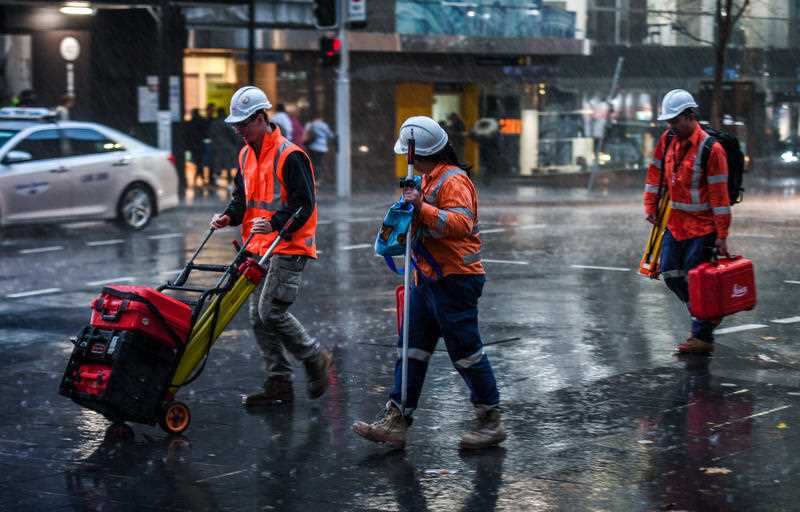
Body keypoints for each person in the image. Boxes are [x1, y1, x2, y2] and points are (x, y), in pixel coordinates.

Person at [352, 116, 505, 451]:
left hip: (455, 281)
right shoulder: (426, 179)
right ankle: (397, 418)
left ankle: (489, 418)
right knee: (411, 348)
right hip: (426, 278)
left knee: (466, 352)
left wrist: (421, 207)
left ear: (421, 154)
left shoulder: (454, 180)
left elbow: (462, 223)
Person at [209, 86, 332, 406]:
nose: (238, 130)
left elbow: (305, 203)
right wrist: (227, 216)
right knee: (255, 317)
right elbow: (243, 198)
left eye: (243, 124)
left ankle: (314, 356)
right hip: (258, 245)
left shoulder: (290, 155)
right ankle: (279, 382)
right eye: (235, 125)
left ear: (262, 119)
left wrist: (277, 223)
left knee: (270, 311)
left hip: (288, 244)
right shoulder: (246, 153)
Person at [643, 89, 732, 355]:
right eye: (668, 122)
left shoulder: (711, 150)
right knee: (670, 274)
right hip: (675, 223)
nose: (671, 126)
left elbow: (720, 196)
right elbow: (655, 172)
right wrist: (650, 205)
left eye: (674, 121)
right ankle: (706, 313)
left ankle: (701, 337)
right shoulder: (667, 139)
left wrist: (722, 234)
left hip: (703, 228)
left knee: (697, 280)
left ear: (690, 115)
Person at [208, 106, 240, 186]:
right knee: (228, 165)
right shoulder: (228, 123)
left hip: (218, 147)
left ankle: (216, 178)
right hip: (228, 147)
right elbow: (234, 134)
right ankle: (229, 182)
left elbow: (211, 135)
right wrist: (235, 144)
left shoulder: (214, 123)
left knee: (218, 164)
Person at [303, 115, 335, 184]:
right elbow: (330, 135)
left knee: (312, 162)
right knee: (319, 163)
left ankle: (312, 178)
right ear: (320, 118)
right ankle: (317, 179)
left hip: (312, 147)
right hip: (322, 147)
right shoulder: (324, 125)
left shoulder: (310, 124)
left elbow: (305, 135)